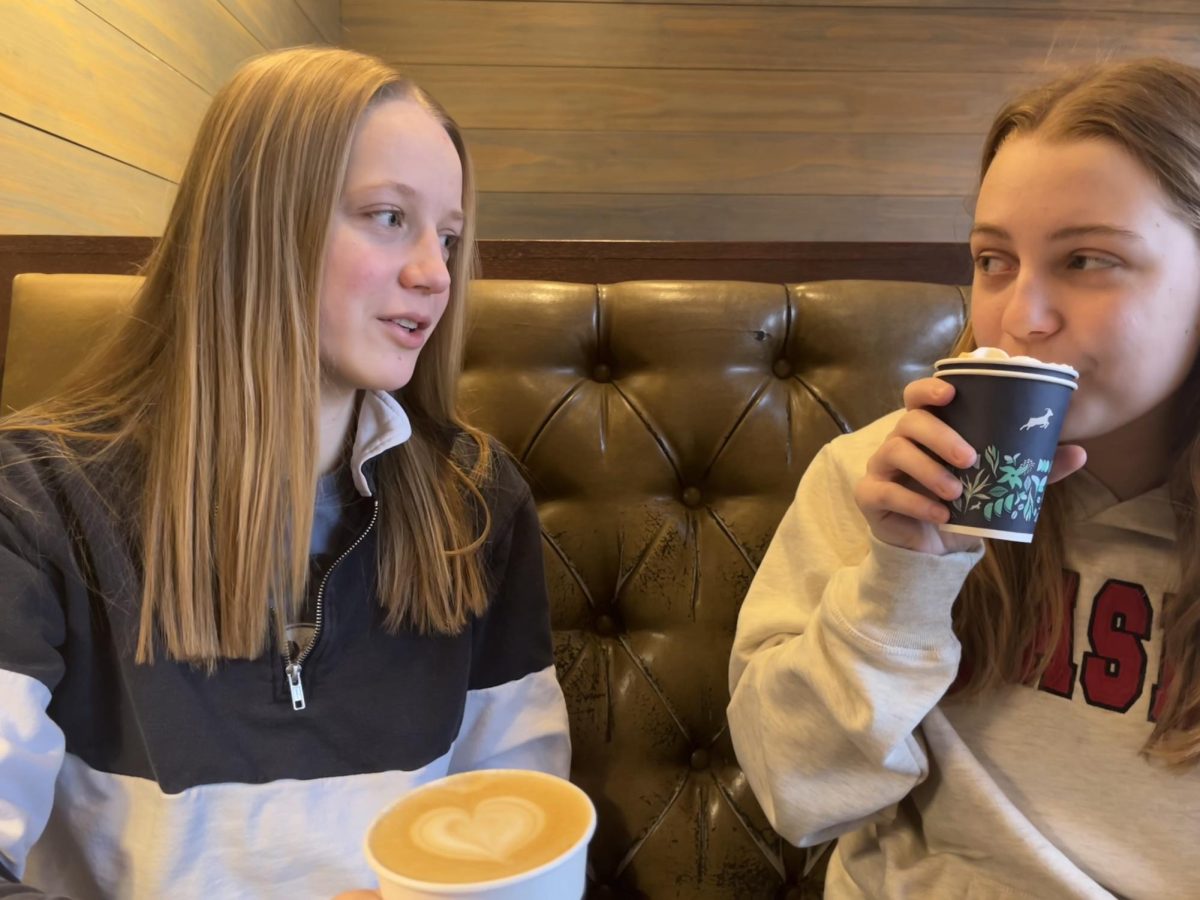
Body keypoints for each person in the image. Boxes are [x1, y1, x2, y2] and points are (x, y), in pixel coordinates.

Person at [0, 47, 570, 899]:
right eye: (387, 217)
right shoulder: (33, 498)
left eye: (447, 237)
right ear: (257, 218)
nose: (434, 273)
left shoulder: (478, 501)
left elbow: (527, 826)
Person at [728, 57, 1200, 899]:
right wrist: (904, 571)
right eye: (993, 260)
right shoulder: (876, 482)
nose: (1021, 317)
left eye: (1088, 260)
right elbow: (796, 796)